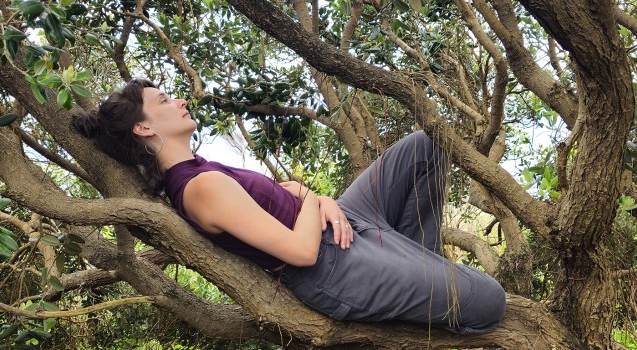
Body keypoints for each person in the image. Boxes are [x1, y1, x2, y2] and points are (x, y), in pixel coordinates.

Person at [72, 78, 506, 334]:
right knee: (490, 301)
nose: (180, 100)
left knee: (424, 146)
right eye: (164, 100)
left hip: (339, 220)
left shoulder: (203, 166)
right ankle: (415, 277)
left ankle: (415, 265)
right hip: (332, 268)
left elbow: (289, 189)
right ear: (144, 126)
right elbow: (301, 252)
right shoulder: (198, 187)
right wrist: (313, 201)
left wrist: (315, 197)